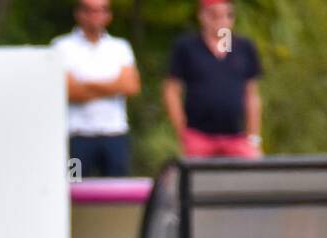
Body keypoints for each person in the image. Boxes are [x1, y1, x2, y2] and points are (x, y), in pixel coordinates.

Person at [51, 0, 141, 178]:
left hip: (114, 134)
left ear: (108, 15)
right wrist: (112, 86)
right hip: (75, 136)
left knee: (117, 192)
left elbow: (131, 86)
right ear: (79, 13)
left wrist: (86, 84)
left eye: (101, 10)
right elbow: (67, 91)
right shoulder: (61, 47)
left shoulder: (120, 47)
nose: (95, 16)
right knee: (72, 186)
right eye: (89, 10)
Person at [163, 0, 263, 158]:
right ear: (202, 16)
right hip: (199, 136)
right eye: (215, 15)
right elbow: (172, 90)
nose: (222, 20)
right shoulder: (188, 47)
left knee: (252, 172)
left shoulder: (242, 48)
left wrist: (253, 137)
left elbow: (251, 95)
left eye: (227, 15)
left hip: (237, 137)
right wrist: (182, 130)